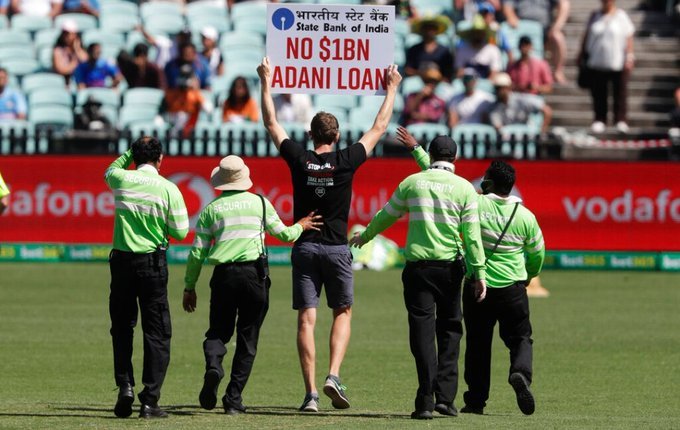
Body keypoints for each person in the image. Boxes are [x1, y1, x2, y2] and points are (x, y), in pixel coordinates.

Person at [258, 56, 402, 413]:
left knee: (307, 318)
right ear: (336, 136)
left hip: (305, 247)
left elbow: (271, 122)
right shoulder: (346, 159)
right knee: (343, 311)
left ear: (310, 135)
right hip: (337, 249)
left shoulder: (299, 158)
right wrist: (392, 88)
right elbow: (380, 127)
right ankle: (333, 375)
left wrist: (266, 81)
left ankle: (310, 395)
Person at [349, 128, 487, 420]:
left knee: (422, 334)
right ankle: (446, 400)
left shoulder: (413, 182)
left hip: (418, 270)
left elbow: (388, 213)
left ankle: (424, 400)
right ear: (456, 157)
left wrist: (366, 235)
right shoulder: (465, 189)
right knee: (450, 331)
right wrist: (479, 273)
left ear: (432, 155)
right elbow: (472, 238)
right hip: (451, 269)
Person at [183, 155, 323, 415]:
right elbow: (283, 234)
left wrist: (189, 287)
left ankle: (214, 364)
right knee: (248, 339)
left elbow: (197, 254)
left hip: (223, 276)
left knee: (217, 332)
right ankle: (233, 399)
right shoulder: (260, 203)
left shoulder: (211, 209)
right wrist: (301, 226)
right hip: (254, 276)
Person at [104, 136, 189, 419]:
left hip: (122, 263)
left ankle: (125, 385)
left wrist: (131, 151)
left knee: (122, 327)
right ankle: (149, 400)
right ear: (161, 159)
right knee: (157, 332)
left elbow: (109, 170)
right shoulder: (168, 189)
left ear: (134, 157)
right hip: (152, 264)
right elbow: (179, 231)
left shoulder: (122, 178)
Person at [460, 161, 544, 416]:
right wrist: (529, 275)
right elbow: (537, 253)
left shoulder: (476, 204)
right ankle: (520, 372)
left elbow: (447, 182)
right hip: (513, 288)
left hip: (477, 285)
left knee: (477, 344)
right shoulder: (526, 216)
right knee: (520, 338)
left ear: (489, 183)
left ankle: (475, 401)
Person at [577, 0, 635, 134]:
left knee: (620, 92)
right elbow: (586, 35)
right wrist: (581, 53)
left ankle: (620, 120)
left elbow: (629, 36)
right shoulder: (594, 16)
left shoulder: (621, 16)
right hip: (597, 61)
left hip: (617, 61)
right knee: (598, 93)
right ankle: (599, 119)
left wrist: (630, 56)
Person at [503, 0, 571, 83]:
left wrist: (557, 26)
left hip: (545, 30)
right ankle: (511, 70)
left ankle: (558, 71)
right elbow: (507, 5)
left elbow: (564, 3)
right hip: (521, 28)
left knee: (558, 37)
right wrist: (511, 16)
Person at [484, 72, 552, 133]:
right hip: (509, 141)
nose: (500, 91)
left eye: (502, 88)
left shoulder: (522, 99)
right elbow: (498, 128)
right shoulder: (493, 108)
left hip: (527, 139)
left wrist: (542, 131)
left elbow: (547, 110)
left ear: (509, 87)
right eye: (497, 88)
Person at [163, 64, 213, 138]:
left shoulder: (195, 94)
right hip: (172, 122)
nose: (184, 79)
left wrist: (196, 89)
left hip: (189, 124)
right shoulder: (172, 93)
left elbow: (209, 109)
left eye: (186, 76)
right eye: (183, 76)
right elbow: (164, 110)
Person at [405, 15, 454, 82]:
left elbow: (448, 74)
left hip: (438, 85)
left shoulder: (444, 51)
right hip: (418, 83)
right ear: (422, 30)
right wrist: (423, 74)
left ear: (436, 30)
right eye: (427, 28)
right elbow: (408, 70)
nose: (429, 31)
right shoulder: (414, 49)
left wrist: (437, 77)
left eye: (432, 28)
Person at [455, 14, 502, 80]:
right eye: (475, 33)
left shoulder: (493, 49)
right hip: (467, 83)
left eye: (480, 33)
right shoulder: (462, 49)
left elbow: (494, 73)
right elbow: (459, 71)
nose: (477, 36)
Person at [52, 20, 88, 86]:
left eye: (69, 33)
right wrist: (75, 63)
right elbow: (61, 70)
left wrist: (77, 49)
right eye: (65, 33)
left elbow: (85, 62)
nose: (67, 36)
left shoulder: (79, 49)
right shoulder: (58, 50)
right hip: (65, 83)